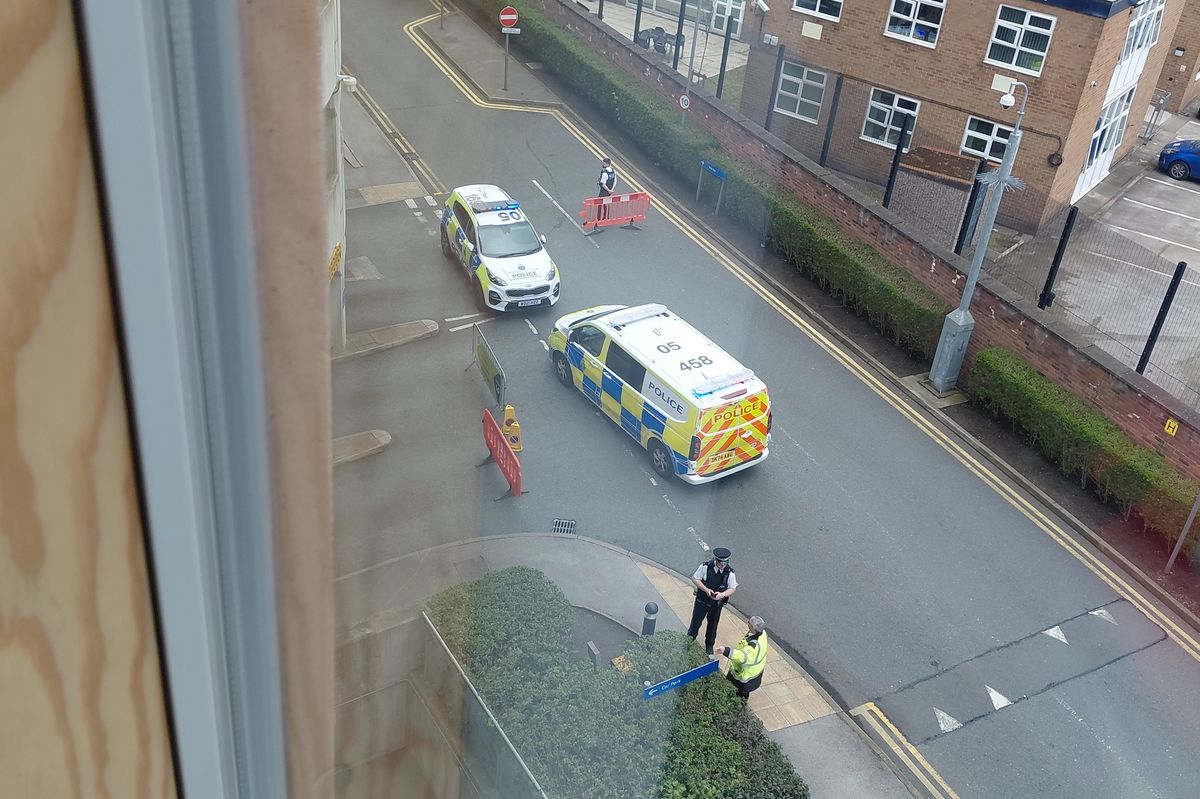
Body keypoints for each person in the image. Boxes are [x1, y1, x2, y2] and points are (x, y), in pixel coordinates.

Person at [686, 547, 736, 655]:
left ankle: (709, 646)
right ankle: (688, 642)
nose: (723, 566)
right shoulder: (705, 567)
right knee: (695, 623)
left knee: (713, 626)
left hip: (716, 605)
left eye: (725, 563)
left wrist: (722, 594)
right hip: (702, 601)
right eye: (721, 563)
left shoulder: (729, 572)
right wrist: (706, 590)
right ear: (716, 560)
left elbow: (732, 588)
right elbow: (695, 578)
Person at [716, 615, 769, 701]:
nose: (747, 622)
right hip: (754, 672)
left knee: (741, 694)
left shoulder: (753, 647)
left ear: (753, 628)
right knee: (741, 691)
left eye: (749, 622)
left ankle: (738, 704)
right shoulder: (762, 634)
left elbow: (742, 657)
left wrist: (726, 650)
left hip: (745, 675)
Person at [596, 157, 616, 221]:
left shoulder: (605, 173)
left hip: (604, 191)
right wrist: (611, 190)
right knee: (606, 203)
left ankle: (599, 218)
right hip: (609, 190)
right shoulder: (613, 171)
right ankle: (606, 216)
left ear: (607, 164)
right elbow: (615, 181)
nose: (603, 164)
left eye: (604, 163)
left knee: (600, 203)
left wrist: (608, 190)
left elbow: (603, 184)